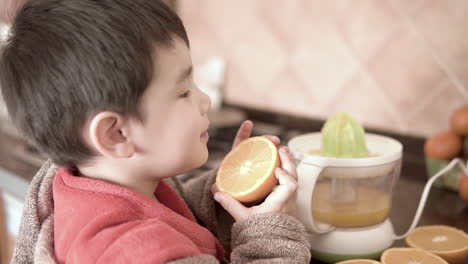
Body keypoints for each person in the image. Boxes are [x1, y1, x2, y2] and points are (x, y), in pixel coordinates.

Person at [0, 0, 311, 263]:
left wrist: (223, 192)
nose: (204, 100)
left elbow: (171, 212)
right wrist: (270, 235)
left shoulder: (108, 181)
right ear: (115, 134)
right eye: (182, 92)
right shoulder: (134, 252)